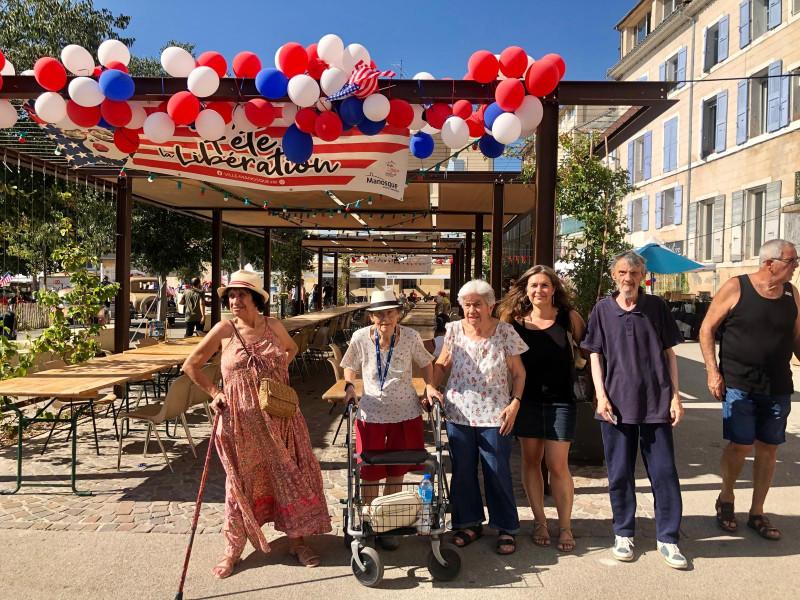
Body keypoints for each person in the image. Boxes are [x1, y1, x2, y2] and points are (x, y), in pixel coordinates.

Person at [183, 270, 331, 578]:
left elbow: (291, 349)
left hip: (281, 418)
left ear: (255, 300)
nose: (234, 301)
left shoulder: (273, 326)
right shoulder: (224, 330)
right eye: (231, 296)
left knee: (288, 476)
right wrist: (216, 392)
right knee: (240, 484)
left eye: (240, 295)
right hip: (239, 422)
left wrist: (275, 377)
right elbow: (191, 365)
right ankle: (232, 551)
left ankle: (297, 541)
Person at [581, 251, 687, 569]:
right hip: (614, 403)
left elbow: (669, 354)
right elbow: (595, 356)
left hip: (656, 400)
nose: (629, 278)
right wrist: (600, 396)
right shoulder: (602, 309)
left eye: (635, 273)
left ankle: (668, 538)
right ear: (613, 275)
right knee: (619, 473)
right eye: (623, 272)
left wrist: (675, 396)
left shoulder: (656, 307)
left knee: (664, 473)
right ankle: (623, 533)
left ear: (643, 276)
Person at [699, 239, 799, 541]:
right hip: (739, 384)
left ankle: (757, 511)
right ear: (771, 263)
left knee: (769, 448)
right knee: (741, 446)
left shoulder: (792, 294)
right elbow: (706, 329)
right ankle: (726, 498)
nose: (795, 266)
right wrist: (713, 373)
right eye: (792, 260)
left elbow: (797, 338)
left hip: (778, 385)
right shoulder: (736, 287)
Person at [431, 279, 527, 555]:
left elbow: (519, 373)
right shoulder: (453, 330)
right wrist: (430, 385)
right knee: (462, 470)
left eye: (477, 304)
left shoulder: (505, 332)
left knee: (497, 470)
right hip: (458, 412)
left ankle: (505, 526)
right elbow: (442, 364)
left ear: (490, 305)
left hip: (496, 413)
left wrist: (515, 402)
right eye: (466, 305)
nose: (471, 310)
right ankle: (469, 523)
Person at [340, 290, 442, 548]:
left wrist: (430, 386)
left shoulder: (410, 336)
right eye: (379, 314)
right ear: (371, 316)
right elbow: (349, 363)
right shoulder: (361, 336)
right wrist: (350, 387)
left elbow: (425, 362)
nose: (384, 318)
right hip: (371, 412)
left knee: (397, 470)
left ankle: (389, 523)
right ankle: (370, 522)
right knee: (370, 472)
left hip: (405, 412)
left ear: (398, 314)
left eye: (390, 312)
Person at [497, 265, 586, 552]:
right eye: (533, 286)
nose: (539, 290)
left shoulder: (569, 318)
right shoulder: (513, 322)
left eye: (544, 285)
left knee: (558, 465)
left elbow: (589, 354)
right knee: (531, 461)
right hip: (526, 401)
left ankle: (566, 526)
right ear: (526, 290)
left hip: (562, 400)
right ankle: (540, 521)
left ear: (554, 289)